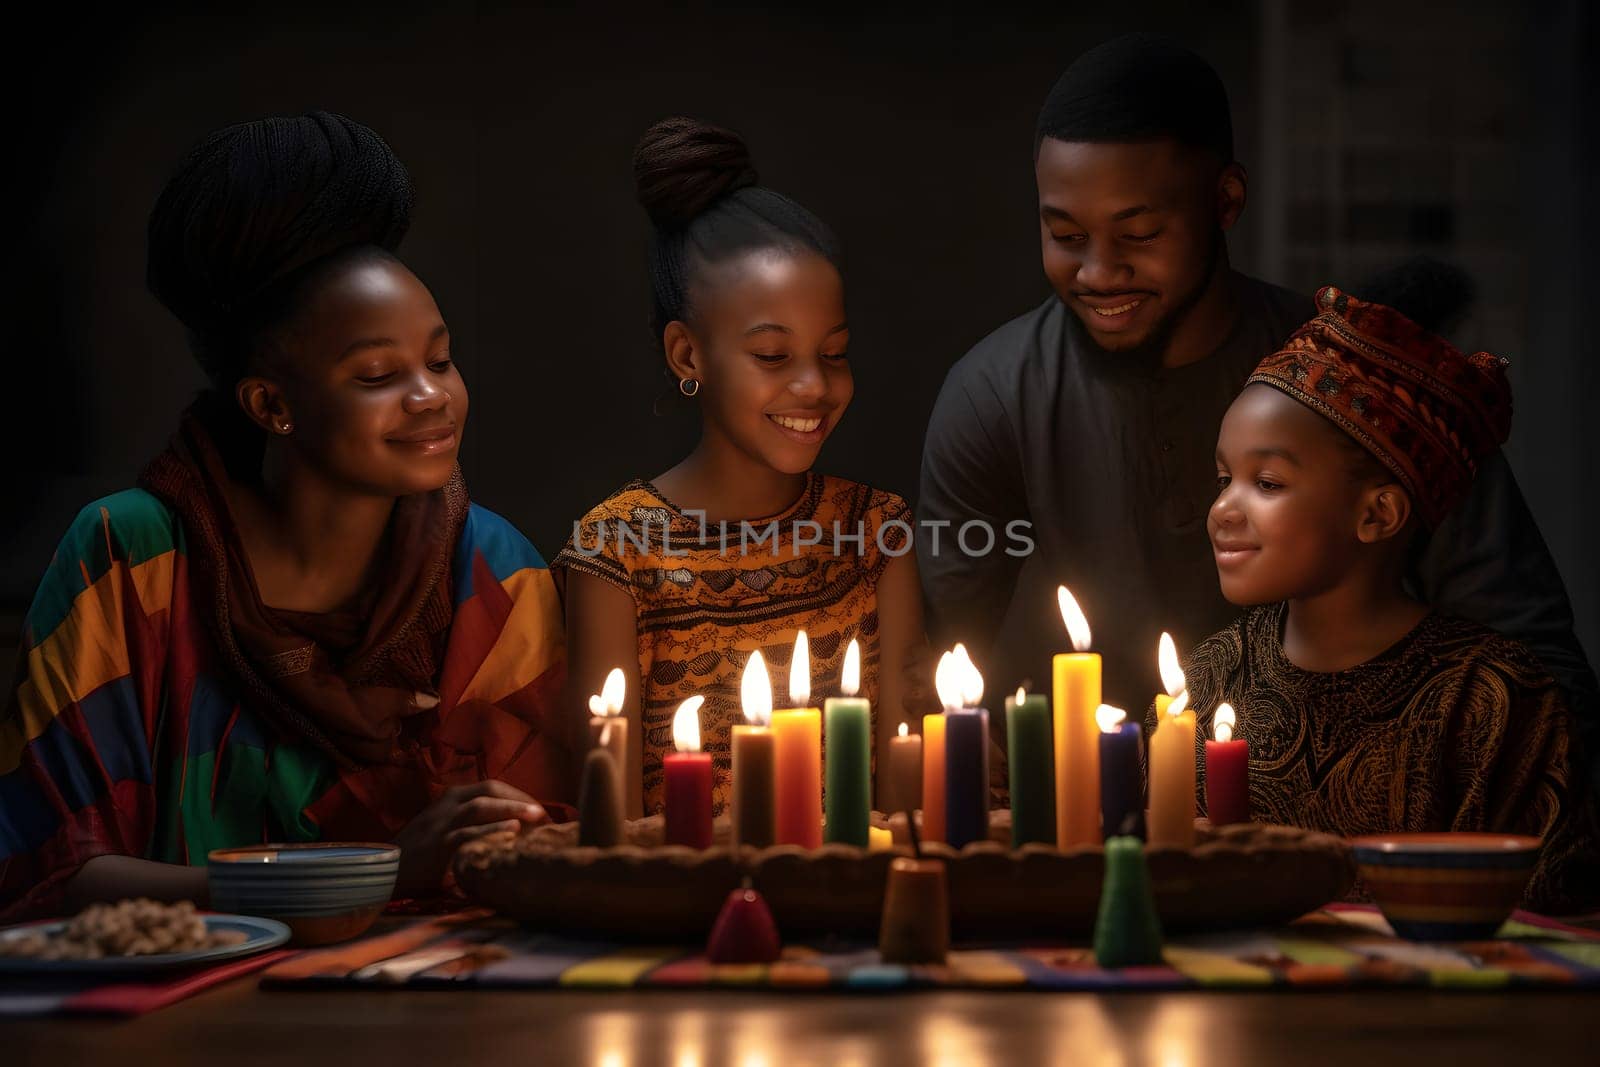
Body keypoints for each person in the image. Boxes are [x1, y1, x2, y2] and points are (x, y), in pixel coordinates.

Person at [915, 33, 1600, 791]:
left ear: (1226, 201)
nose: (1099, 271)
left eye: (1140, 234)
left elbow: (1536, 661)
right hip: (1103, 820)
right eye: (1066, 236)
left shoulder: (1357, 378)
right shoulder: (992, 394)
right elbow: (941, 663)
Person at [0, 113, 570, 920]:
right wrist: (378, 869)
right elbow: (46, 875)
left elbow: (544, 851)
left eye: (440, 360)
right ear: (271, 404)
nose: (432, 396)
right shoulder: (132, 558)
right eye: (378, 374)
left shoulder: (493, 571)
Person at [1174, 282, 1597, 912]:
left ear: (1378, 514)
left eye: (1265, 482)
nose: (1221, 510)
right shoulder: (1207, 679)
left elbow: (1548, 919)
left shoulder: (1493, 699)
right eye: (1222, 479)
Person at [555, 118, 931, 818]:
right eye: (772, 357)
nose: (815, 386)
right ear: (686, 356)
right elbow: (612, 827)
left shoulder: (878, 534)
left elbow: (905, 797)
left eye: (835, 352)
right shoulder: (615, 551)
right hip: (682, 910)